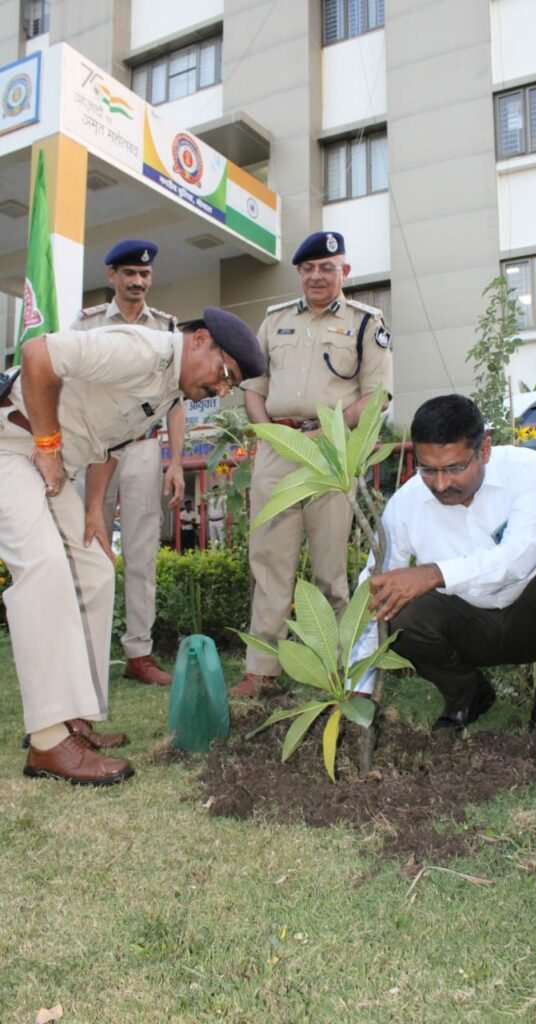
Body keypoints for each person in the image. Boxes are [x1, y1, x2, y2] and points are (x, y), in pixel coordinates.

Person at [0, 307, 265, 785]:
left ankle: (74, 719)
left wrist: (94, 510)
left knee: (96, 572)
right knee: (43, 570)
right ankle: (46, 742)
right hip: (13, 443)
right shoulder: (141, 350)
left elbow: (112, 444)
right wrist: (47, 445)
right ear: (200, 339)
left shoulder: (169, 388)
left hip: (51, 459)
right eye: (226, 375)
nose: (223, 390)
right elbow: (38, 355)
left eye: (233, 385)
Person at [352, 394, 536, 740]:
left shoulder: (526, 470)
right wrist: (358, 688)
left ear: (484, 449)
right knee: (397, 609)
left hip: (532, 617)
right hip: (466, 624)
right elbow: (375, 589)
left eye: (455, 468)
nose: (441, 484)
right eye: (428, 469)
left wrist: (432, 573)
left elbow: (520, 556)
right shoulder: (406, 503)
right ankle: (467, 696)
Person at [234, 231, 393, 696]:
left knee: (329, 569)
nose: (318, 276)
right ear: (299, 273)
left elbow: (376, 395)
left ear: (344, 272)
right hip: (277, 449)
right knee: (269, 560)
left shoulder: (367, 322)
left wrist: (324, 433)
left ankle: (335, 670)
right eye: (309, 268)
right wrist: (270, 431)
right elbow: (253, 386)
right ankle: (261, 669)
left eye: (328, 267)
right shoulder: (275, 320)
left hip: (332, 454)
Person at [72, 240, 183, 686]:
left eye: (145, 275)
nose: (138, 282)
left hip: (142, 447)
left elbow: (176, 400)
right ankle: (84, 648)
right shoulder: (88, 324)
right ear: (112, 276)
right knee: (87, 542)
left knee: (141, 551)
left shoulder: (168, 328)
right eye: (130, 274)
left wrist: (175, 461)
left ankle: (139, 652)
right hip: (94, 447)